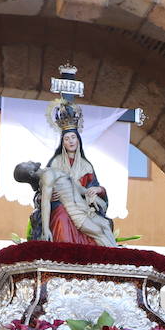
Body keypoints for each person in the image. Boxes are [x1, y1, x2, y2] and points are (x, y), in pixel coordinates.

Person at [35, 101, 117, 246]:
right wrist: (43, 196)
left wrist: (98, 190)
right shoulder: (55, 163)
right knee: (62, 217)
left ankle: (110, 258)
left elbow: (94, 189)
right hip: (61, 204)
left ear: (78, 140)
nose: (70, 141)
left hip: (85, 206)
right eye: (66, 139)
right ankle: (63, 257)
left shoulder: (86, 166)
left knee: (104, 224)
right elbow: (41, 189)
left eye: (73, 137)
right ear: (63, 143)